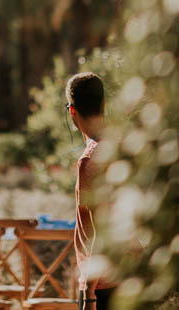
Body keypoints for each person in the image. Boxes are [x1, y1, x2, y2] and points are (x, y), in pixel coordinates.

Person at [66, 71, 116, 309]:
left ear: (72, 111)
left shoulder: (89, 161)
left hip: (103, 285)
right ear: (104, 104)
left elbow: (100, 229)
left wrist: (89, 292)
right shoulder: (122, 146)